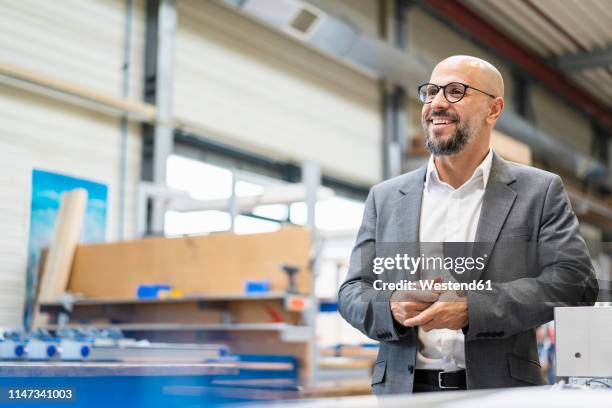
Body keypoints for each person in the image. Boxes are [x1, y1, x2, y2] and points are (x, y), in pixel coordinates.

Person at [338, 55, 599, 394]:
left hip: (501, 393)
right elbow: (351, 292)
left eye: (456, 91)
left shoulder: (539, 191)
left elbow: (575, 284)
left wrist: (474, 308)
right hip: (404, 393)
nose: (437, 103)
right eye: (431, 92)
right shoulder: (385, 198)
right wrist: (390, 305)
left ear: (493, 109)